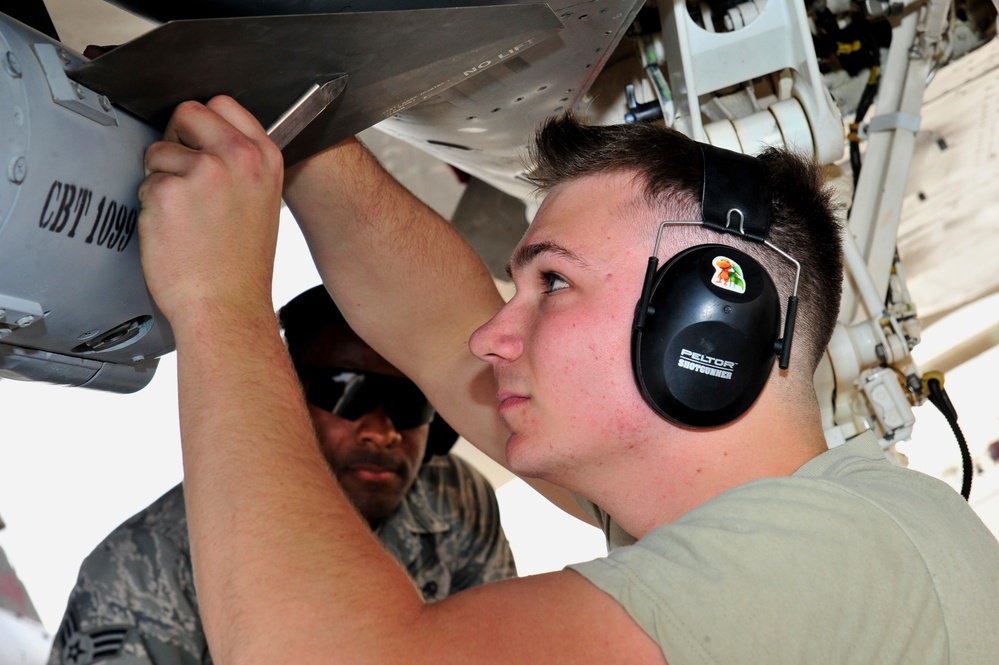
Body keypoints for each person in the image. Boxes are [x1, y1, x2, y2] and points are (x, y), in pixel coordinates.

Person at [135, 95, 999, 664]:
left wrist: (216, 300)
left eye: (552, 282)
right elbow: (438, 331)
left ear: (710, 322)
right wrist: (289, 127)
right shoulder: (835, 521)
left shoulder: (831, 556)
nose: (493, 332)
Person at [47, 285, 517, 665]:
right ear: (284, 398)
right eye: (346, 391)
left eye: (410, 401)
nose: (381, 431)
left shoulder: (453, 497)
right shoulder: (142, 570)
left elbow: (503, 649)